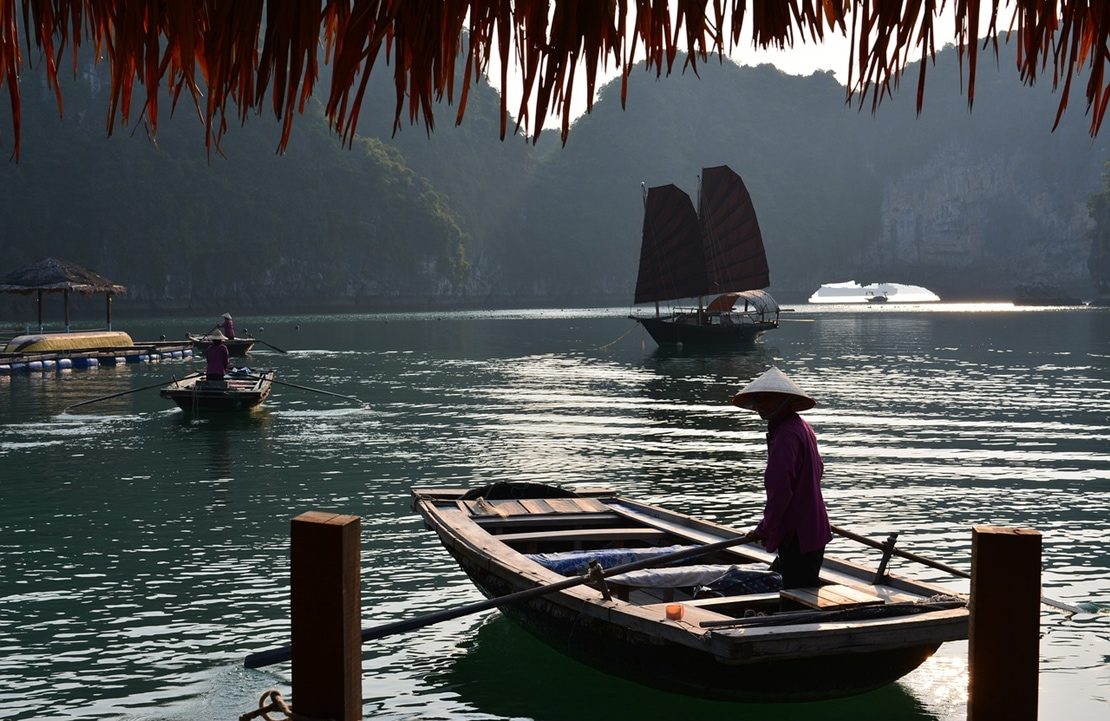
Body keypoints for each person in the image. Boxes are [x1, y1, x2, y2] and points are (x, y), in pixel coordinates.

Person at [731, 366, 832, 589]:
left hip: (798, 533)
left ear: (784, 400)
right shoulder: (800, 427)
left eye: (769, 398)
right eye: (759, 398)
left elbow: (780, 489)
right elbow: (818, 470)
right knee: (803, 587)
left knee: (798, 596)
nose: (761, 404)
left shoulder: (786, 434)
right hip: (812, 526)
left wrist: (765, 528)